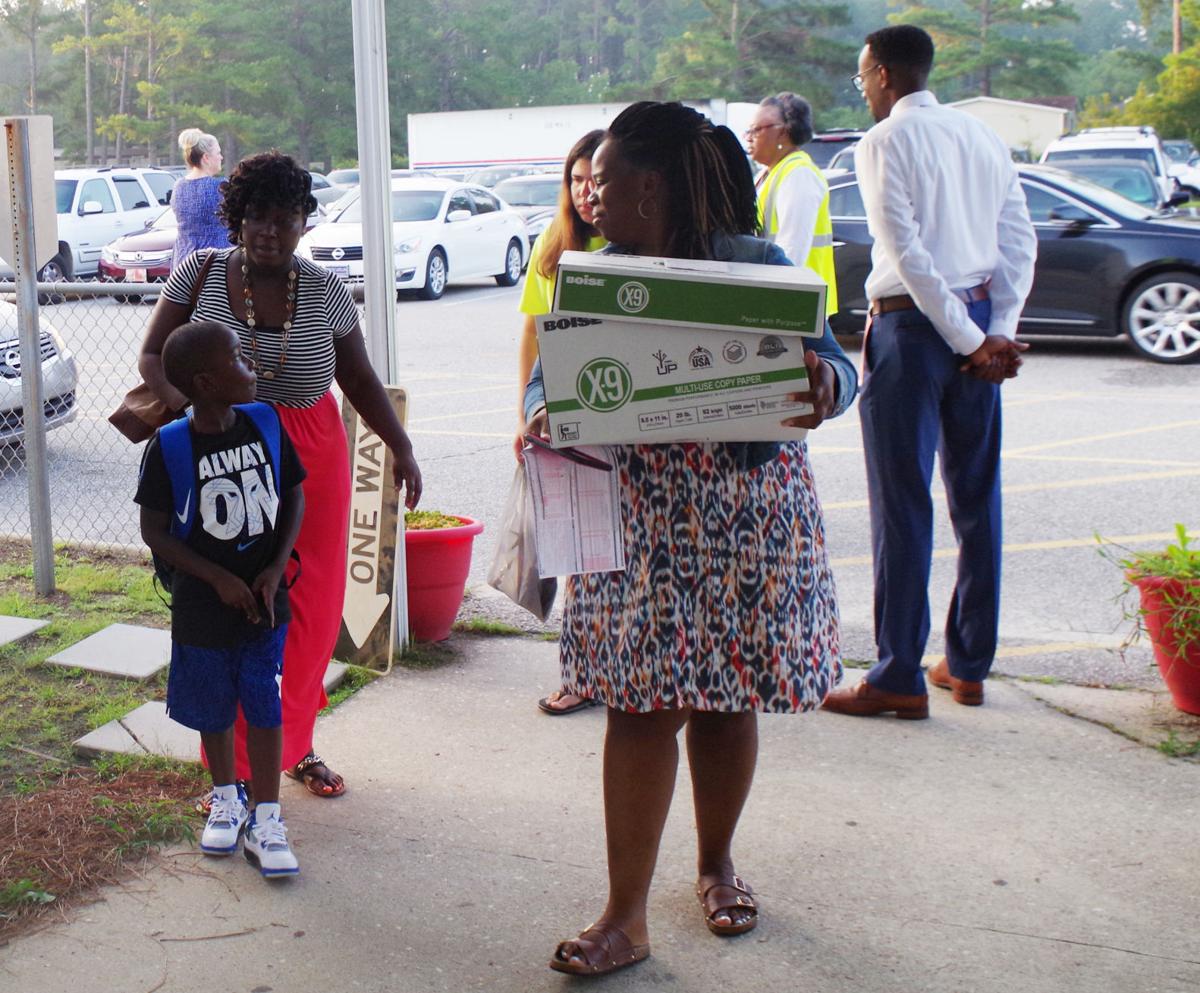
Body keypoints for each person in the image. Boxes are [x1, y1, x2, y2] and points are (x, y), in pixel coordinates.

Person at [523, 101, 858, 976]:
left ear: (649, 187)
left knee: (726, 693)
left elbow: (839, 363)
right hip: (638, 520)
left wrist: (828, 385)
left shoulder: (758, 265)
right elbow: (543, 385)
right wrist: (539, 417)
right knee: (639, 704)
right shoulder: (592, 276)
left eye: (606, 181)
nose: (591, 194)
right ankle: (623, 918)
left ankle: (716, 866)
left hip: (745, 509)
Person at [140, 151, 422, 800]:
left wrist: (401, 447)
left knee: (310, 614)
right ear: (236, 220)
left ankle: (296, 744)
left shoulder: (323, 289)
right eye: (258, 217)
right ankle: (232, 774)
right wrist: (189, 418)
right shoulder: (200, 272)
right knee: (231, 606)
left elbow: (358, 377)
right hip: (225, 455)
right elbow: (154, 354)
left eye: (286, 218)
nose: (270, 230)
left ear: (304, 222)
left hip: (311, 454)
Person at [821, 25, 1036, 720]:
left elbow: (906, 252)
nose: (861, 87)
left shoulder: (881, 142)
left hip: (913, 330)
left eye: (862, 75)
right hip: (974, 323)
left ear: (883, 74)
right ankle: (968, 664)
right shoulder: (980, 137)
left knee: (904, 505)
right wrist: (993, 329)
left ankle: (897, 674)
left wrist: (971, 337)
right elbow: (1016, 240)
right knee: (977, 500)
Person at [136, 320, 305, 876]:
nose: (249, 361)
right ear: (206, 382)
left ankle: (268, 815)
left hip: (265, 601)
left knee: (263, 700)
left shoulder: (265, 423)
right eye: (238, 357)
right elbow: (155, 532)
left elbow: (293, 497)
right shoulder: (170, 447)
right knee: (213, 703)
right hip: (203, 606)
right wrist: (217, 579)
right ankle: (227, 798)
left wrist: (275, 568)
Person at [515, 129, 606, 717]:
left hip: (613, 412)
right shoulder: (553, 246)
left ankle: (605, 670)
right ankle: (580, 673)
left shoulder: (635, 246)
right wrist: (525, 414)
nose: (586, 191)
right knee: (574, 556)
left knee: (603, 559)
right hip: (562, 416)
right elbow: (532, 334)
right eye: (575, 180)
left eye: (595, 179)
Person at [745, 92, 839, 318]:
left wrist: (769, 306)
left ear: (783, 132)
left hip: (796, 308)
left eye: (757, 130)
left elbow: (792, 251)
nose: (749, 137)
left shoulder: (798, 175)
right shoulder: (771, 173)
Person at [172, 129, 227, 267]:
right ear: (206, 158)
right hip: (216, 265)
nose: (221, 157)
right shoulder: (220, 186)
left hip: (183, 265)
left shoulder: (178, 186)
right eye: (218, 153)